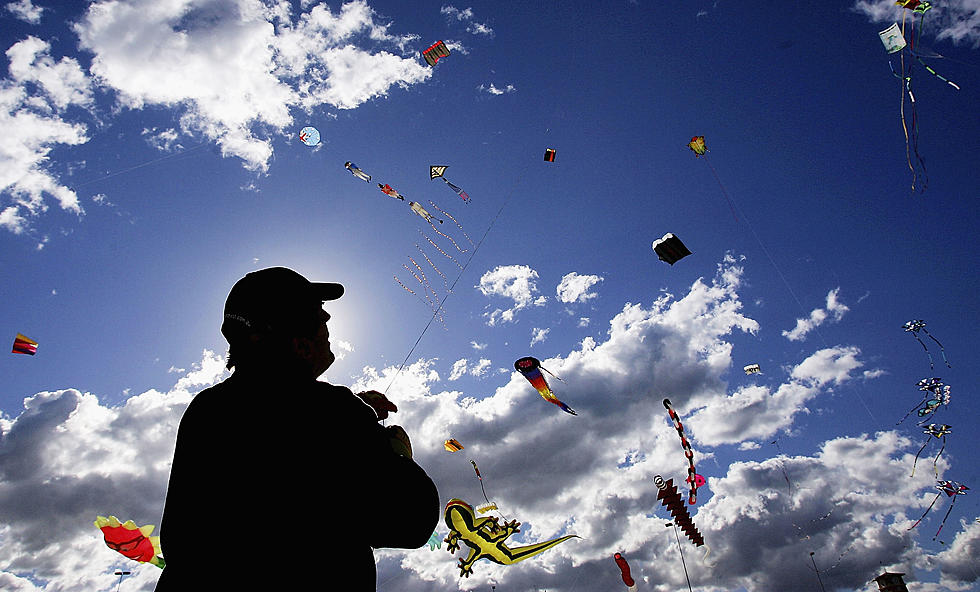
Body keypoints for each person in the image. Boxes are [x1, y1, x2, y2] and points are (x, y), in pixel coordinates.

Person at [155, 267, 439, 591]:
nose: (327, 318)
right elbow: (413, 519)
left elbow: (274, 446)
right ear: (297, 341)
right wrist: (395, 447)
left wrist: (357, 415)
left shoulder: (206, 410)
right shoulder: (333, 411)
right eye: (316, 313)